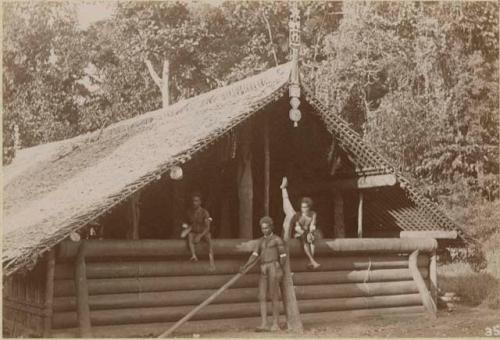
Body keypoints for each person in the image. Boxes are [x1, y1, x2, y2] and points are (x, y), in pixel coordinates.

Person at [240, 216, 287, 332]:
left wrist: (280, 268)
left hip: (273, 267)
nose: (264, 230)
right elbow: (254, 255)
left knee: (274, 296)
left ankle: (275, 324)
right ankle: (264, 323)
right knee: (261, 296)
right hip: (263, 268)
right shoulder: (260, 241)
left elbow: (283, 256)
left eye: (266, 228)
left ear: (271, 227)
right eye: (263, 228)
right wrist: (246, 265)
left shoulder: (277, 239)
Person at [280, 177, 321, 269]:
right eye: (302, 207)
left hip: (308, 233)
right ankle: (312, 261)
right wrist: (304, 232)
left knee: (312, 240)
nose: (304, 209)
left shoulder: (313, 214)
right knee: (305, 240)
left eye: (306, 207)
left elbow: (312, 225)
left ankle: (311, 261)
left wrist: (311, 231)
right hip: (300, 233)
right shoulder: (298, 215)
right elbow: (297, 228)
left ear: (309, 207)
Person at [181, 192, 215, 271]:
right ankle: (193, 256)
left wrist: (200, 236)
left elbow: (207, 227)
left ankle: (212, 262)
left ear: (200, 202)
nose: (194, 203)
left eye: (196, 201)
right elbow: (186, 224)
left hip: (204, 232)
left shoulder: (205, 212)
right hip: (194, 232)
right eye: (193, 201)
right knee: (189, 236)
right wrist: (186, 227)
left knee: (209, 240)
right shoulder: (189, 212)